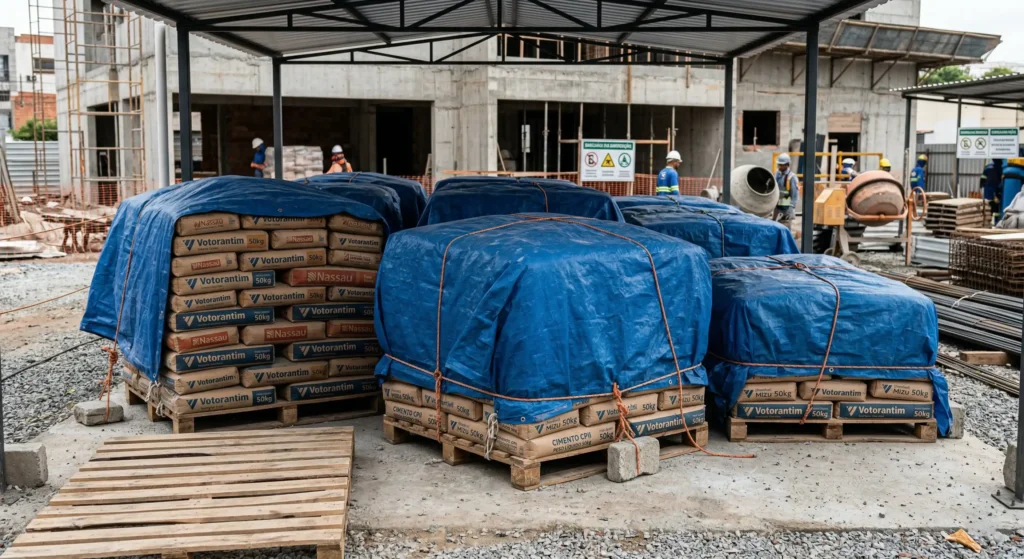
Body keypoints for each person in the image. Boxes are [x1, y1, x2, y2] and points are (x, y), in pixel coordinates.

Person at [774, 153, 799, 225]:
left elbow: (795, 194)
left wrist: (791, 208)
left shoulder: (792, 177)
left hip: (787, 207)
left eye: (781, 165)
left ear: (787, 165)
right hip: (777, 206)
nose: (779, 166)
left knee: (785, 226)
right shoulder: (777, 174)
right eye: (779, 164)